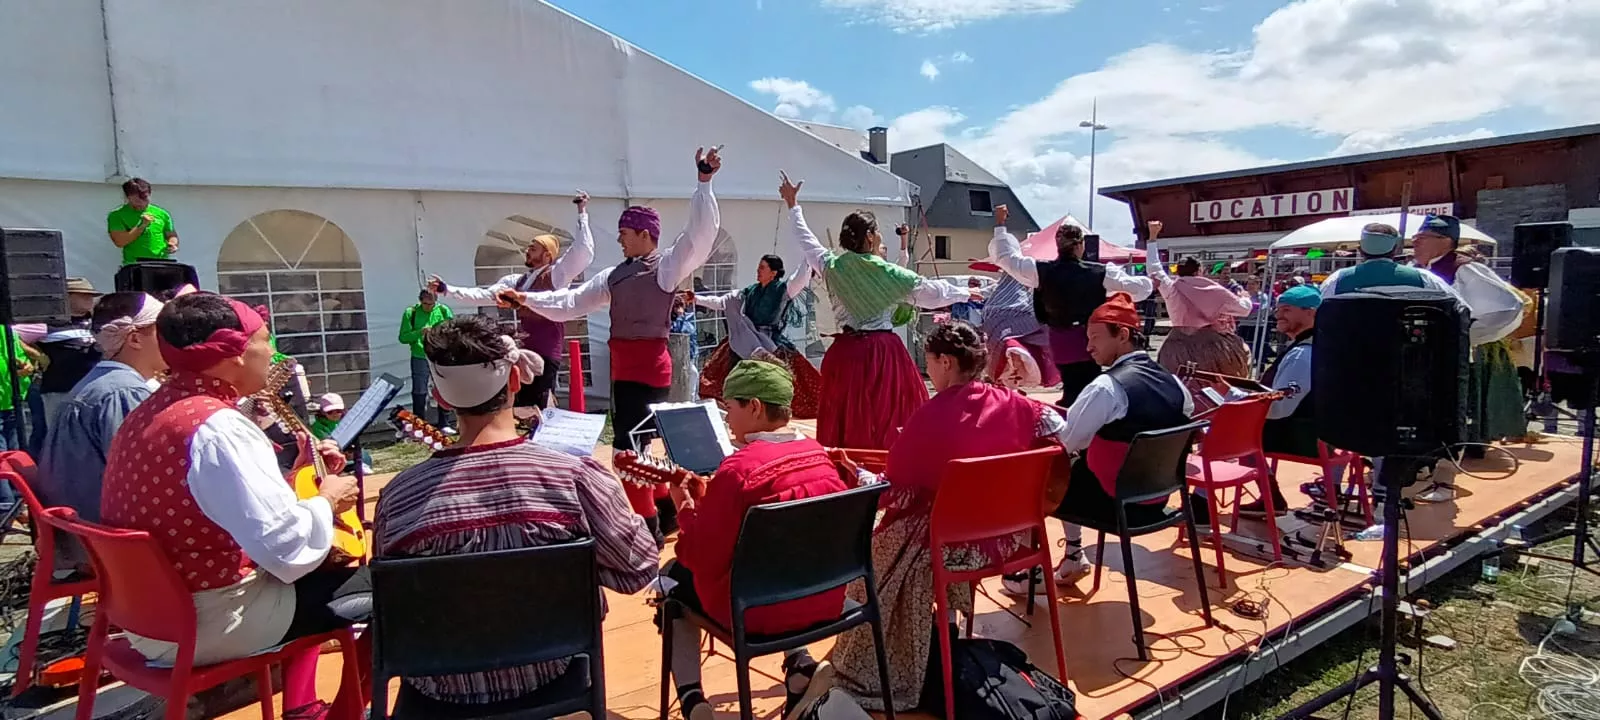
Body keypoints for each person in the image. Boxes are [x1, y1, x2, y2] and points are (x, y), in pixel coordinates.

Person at [99, 292, 365, 718]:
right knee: (385, 587)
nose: (272, 352)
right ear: (235, 354)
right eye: (265, 340)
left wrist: (297, 478)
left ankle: (300, 704)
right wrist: (326, 500)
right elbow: (287, 552)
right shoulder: (220, 427)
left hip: (147, 618)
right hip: (209, 620)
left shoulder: (152, 411)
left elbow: (217, 503)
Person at [374, 315, 657, 714]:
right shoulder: (575, 478)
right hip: (550, 673)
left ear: (440, 397)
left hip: (438, 690)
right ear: (514, 382)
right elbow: (639, 570)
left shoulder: (398, 497)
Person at [828, 322, 1068, 712]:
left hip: (954, 547)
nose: (929, 373)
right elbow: (1060, 428)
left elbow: (890, 493)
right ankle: (946, 632)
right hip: (1011, 539)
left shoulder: (930, 417)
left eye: (930, 364)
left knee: (878, 553)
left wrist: (856, 473)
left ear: (944, 361)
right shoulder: (1016, 403)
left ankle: (889, 666)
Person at [507, 148, 723, 544]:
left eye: (625, 234)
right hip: (626, 370)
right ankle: (664, 510)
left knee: (627, 448)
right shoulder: (615, 275)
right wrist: (528, 300)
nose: (620, 240)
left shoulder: (667, 266)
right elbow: (571, 302)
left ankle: (647, 526)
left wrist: (704, 183)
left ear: (645, 235)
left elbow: (700, 236)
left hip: (647, 369)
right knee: (639, 446)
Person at [659, 360, 848, 720]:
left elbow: (701, 557)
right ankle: (800, 666)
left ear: (755, 407)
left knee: (672, 580)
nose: (727, 419)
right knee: (785, 563)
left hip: (755, 613)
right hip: (824, 600)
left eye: (730, 407)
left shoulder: (739, 470)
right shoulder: (822, 457)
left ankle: (692, 700)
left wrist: (685, 509)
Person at [781, 171, 974, 450]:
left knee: (848, 418)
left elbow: (805, 239)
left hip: (845, 354)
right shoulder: (887, 272)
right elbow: (931, 294)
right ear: (870, 237)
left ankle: (850, 470)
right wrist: (967, 292)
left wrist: (793, 205)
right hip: (883, 353)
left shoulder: (831, 265)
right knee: (892, 416)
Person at [1033, 293, 1196, 586]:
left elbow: (1065, 443)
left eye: (1094, 337)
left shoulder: (1106, 388)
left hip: (1115, 503)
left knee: (1040, 478)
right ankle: (1071, 558)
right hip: (1160, 497)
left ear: (1122, 335)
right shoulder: (1175, 384)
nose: (1088, 346)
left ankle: (1038, 568)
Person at [429, 191, 595, 418]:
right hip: (523, 352)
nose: (527, 250)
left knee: (541, 405)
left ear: (547, 255)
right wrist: (447, 290)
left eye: (533, 247)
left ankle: (545, 444)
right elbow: (483, 294)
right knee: (522, 406)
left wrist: (581, 213)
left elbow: (582, 252)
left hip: (546, 352)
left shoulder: (556, 275)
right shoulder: (516, 282)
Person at [35, 292, 166, 571]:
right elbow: (142, 476)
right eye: (162, 329)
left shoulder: (104, 381)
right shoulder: (123, 391)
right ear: (134, 339)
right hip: (103, 538)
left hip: (82, 530)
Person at [989, 205, 1153, 405]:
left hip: (1059, 340)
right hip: (1090, 339)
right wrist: (1152, 278)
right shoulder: (1101, 273)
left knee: (1071, 384)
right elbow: (1140, 289)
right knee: (1088, 385)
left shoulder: (1040, 270)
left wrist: (1000, 224)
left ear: (1058, 245)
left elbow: (1006, 258)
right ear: (1081, 245)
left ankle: (1072, 413)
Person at [1410, 215, 1526, 465]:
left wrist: (1466, 335)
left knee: (1459, 404)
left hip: (1457, 354)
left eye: (1422, 238)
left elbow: (1508, 305)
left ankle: (1455, 453)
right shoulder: (1420, 270)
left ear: (1445, 241)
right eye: (1415, 237)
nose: (1414, 242)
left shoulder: (1465, 268)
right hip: (1426, 354)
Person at [693, 253, 821, 417]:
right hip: (745, 343)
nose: (758, 270)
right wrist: (695, 299)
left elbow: (800, 277)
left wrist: (809, 254)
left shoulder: (783, 290)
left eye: (762, 267)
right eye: (758, 267)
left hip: (770, 344)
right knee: (719, 377)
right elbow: (722, 302)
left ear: (773, 273)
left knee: (800, 380)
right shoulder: (749, 291)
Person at [1236, 285, 1320, 517]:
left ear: (1310, 313)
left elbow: (1278, 408)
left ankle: (1201, 503)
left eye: (1286, 310)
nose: (1278, 315)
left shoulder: (1303, 354)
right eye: (1278, 309)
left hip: (1304, 435)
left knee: (1232, 433)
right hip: (1317, 430)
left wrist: (1234, 397)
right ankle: (1271, 497)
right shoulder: (1320, 345)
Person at [1145, 221, 1253, 377]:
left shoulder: (1172, 288)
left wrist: (1152, 238)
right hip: (1211, 347)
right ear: (1199, 271)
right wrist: (1245, 297)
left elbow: (1154, 268)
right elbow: (1244, 309)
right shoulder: (1214, 290)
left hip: (1176, 346)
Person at [31, 278, 104, 451]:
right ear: (67, 298)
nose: (89, 300)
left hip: (92, 393)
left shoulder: (97, 321)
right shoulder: (47, 323)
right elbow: (11, 335)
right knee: (61, 440)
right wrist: (36, 353)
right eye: (84, 296)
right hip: (60, 390)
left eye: (91, 296)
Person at [980, 270, 1060, 391]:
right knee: (1012, 350)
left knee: (1014, 351)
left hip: (1009, 334)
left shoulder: (999, 295)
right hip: (1009, 334)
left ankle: (1012, 374)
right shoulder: (1007, 293)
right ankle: (1011, 373)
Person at [397, 289, 455, 430]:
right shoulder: (411, 312)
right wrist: (419, 332)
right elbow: (403, 337)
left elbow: (453, 331)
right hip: (419, 355)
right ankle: (420, 424)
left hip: (439, 355)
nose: (428, 307)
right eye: (425, 304)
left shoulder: (443, 310)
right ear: (420, 301)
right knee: (419, 390)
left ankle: (444, 423)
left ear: (436, 301)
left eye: (431, 304)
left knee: (443, 388)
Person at [106, 178, 178, 265]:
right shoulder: (117, 215)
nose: (142, 203)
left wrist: (172, 243)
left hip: (162, 262)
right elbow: (120, 242)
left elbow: (171, 235)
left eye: (145, 199)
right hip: (135, 264)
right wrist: (141, 226)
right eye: (137, 200)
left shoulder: (162, 213)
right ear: (128, 197)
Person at [668, 292, 700, 403]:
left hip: (689, 356)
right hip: (676, 358)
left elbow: (692, 334)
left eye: (681, 306)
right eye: (677, 306)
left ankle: (692, 401)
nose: (680, 309)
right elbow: (677, 333)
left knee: (693, 376)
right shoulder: (671, 322)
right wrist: (680, 317)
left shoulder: (688, 318)